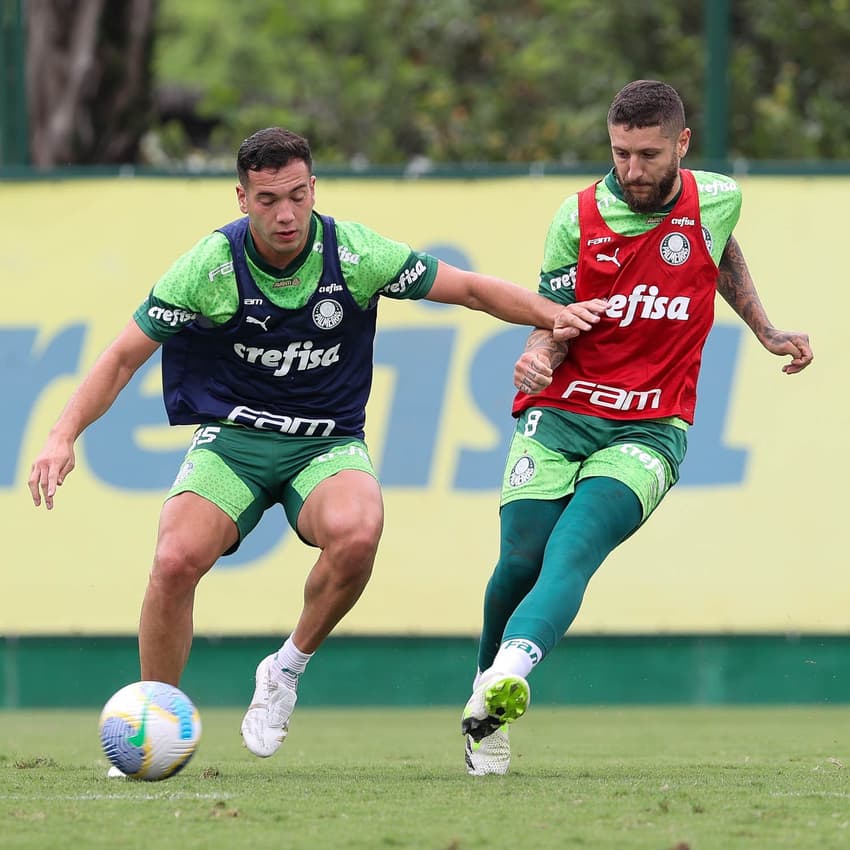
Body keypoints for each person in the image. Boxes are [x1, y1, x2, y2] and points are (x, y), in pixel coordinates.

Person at [27, 127, 598, 765]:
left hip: (325, 445)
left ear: (313, 189)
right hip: (234, 443)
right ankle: (152, 722)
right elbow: (123, 356)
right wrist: (61, 434)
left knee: (359, 532)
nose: (286, 214)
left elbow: (465, 288)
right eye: (268, 199)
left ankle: (285, 672)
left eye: (298, 196)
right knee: (174, 559)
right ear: (242, 198)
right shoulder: (210, 267)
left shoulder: (352, 252)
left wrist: (551, 314)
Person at [460, 80, 814, 776]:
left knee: (574, 551)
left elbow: (721, 251)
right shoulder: (578, 216)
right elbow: (553, 317)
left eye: (648, 154)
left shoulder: (717, 198)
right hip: (559, 416)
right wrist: (537, 355)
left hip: (650, 428)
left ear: (681, 143)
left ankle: (509, 680)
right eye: (620, 152)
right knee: (519, 565)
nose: (632, 169)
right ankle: (484, 701)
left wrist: (766, 330)